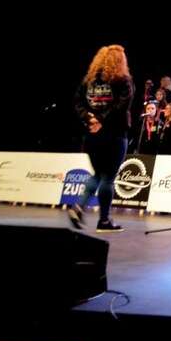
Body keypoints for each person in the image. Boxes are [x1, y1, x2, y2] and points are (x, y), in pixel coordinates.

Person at [70, 44, 133, 233]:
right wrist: (101, 120)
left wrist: (89, 118)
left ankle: (79, 205)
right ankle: (104, 221)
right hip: (114, 135)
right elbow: (122, 105)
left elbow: (77, 102)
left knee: (97, 174)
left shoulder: (88, 81)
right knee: (108, 178)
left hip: (92, 136)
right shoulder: (123, 80)